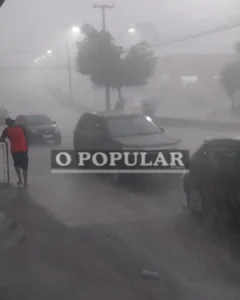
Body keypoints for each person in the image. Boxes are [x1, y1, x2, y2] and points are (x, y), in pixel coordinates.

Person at [0, 118, 28, 187]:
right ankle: (25, 183)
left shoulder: (7, 130)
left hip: (15, 150)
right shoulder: (21, 128)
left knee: (16, 165)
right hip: (24, 149)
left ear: (7, 123)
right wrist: (27, 147)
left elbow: (1, 139)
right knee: (25, 167)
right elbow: (27, 138)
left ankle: (20, 180)